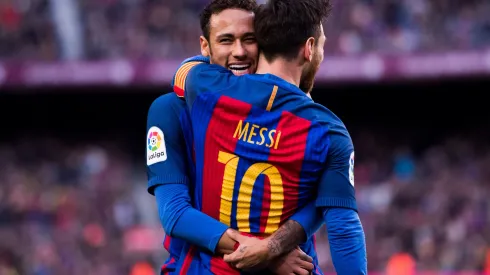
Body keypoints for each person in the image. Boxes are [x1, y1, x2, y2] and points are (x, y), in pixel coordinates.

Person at [170, 0, 368, 274]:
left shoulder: (206, 88)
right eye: (322, 45)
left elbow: (187, 69)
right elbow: (343, 230)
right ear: (309, 49)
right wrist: (272, 248)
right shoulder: (329, 131)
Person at [147, 0, 324, 274]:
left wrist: (273, 247)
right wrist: (266, 254)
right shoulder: (171, 109)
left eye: (249, 39)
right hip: (204, 266)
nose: (239, 52)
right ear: (206, 47)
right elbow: (174, 212)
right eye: (226, 40)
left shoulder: (297, 113)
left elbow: (321, 197)